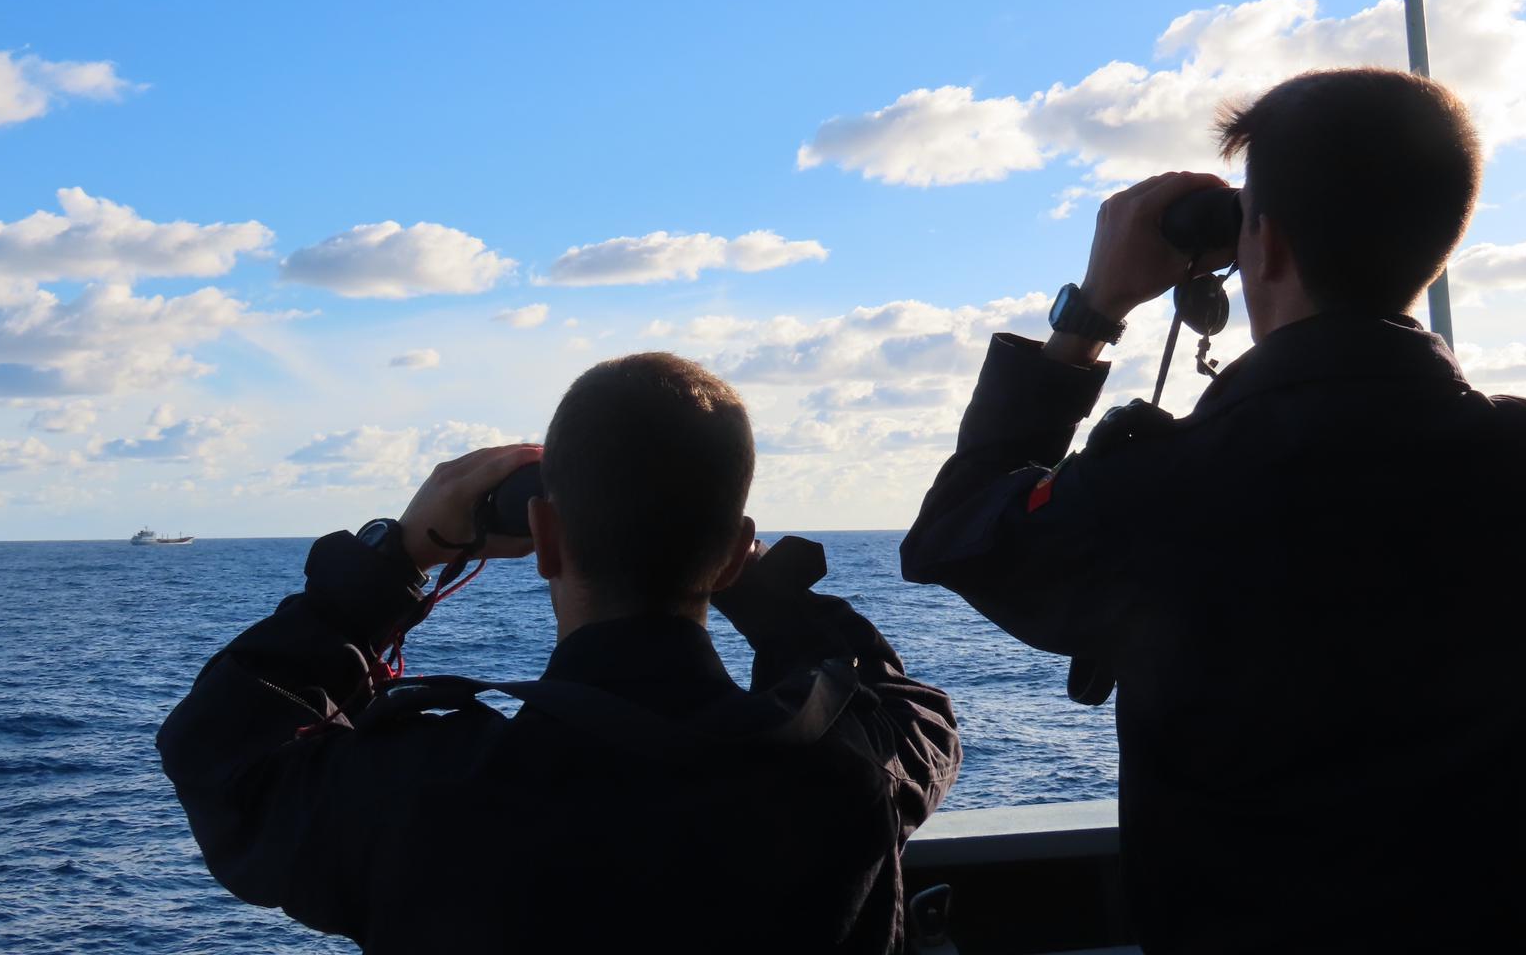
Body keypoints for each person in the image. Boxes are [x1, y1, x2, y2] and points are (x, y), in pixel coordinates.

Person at [900, 68, 1526, 952]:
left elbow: (957, 533)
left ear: (1260, 245)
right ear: (1442, 242)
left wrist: (1092, 312)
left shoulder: (1156, 492)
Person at [160, 352, 960, 953]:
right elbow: (907, 706)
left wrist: (398, 556)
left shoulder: (411, 792)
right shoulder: (851, 764)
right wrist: (747, 578)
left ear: (544, 537)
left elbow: (220, 749)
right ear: (733, 552)